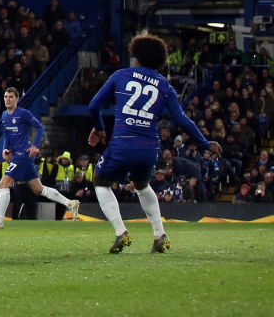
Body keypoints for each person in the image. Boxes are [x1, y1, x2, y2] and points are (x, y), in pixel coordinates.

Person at [88, 34, 222, 253]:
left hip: (123, 143)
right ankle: (159, 235)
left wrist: (100, 128)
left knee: (100, 182)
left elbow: (94, 106)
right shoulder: (164, 85)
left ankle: (121, 232)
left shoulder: (121, 75)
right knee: (142, 186)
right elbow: (182, 120)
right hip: (150, 148)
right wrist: (206, 144)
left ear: (136, 56)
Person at [0, 87, 80, 230]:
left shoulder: (23, 114)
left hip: (23, 155)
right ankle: (69, 203)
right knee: (38, 189)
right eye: (6, 97)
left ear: (17, 99)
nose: (8, 99)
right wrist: (5, 149)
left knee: (3, 184)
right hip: (18, 156)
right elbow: (7, 135)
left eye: (11, 97)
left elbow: (39, 128)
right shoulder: (4, 115)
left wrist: (35, 146)